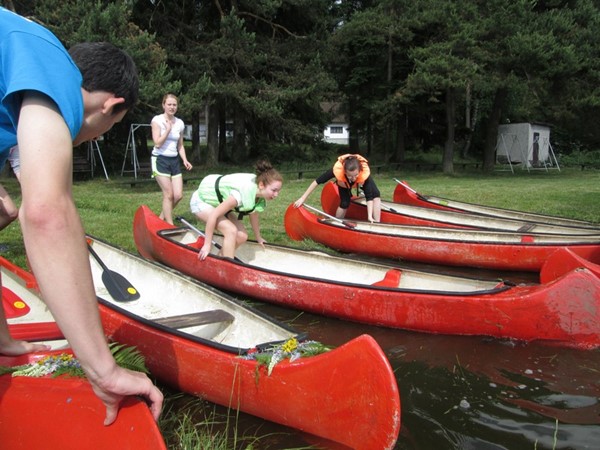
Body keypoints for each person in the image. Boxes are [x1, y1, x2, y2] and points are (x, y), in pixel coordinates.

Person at [0, 7, 163, 424]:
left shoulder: (19, 78)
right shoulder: (54, 67)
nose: (92, 138)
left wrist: (4, 339)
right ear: (111, 106)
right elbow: (46, 213)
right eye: (109, 128)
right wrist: (105, 371)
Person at [190, 160, 283, 260]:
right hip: (202, 201)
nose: (276, 195)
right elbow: (213, 216)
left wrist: (258, 237)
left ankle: (220, 258)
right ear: (261, 185)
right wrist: (207, 245)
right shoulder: (238, 196)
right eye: (274, 190)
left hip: (219, 204)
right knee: (230, 230)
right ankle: (228, 264)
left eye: (278, 191)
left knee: (242, 236)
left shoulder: (258, 196)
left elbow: (254, 215)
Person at [294, 153, 381, 222]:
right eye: (350, 176)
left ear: (360, 171)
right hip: (344, 184)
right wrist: (302, 198)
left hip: (363, 181)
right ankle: (337, 222)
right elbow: (317, 182)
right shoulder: (337, 170)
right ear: (345, 172)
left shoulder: (364, 173)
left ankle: (377, 222)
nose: (353, 178)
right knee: (344, 203)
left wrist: (369, 216)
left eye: (355, 175)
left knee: (376, 194)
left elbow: (369, 197)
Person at [151, 93, 192, 225]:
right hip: (160, 159)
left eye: (174, 105)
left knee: (178, 195)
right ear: (163, 105)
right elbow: (157, 143)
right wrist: (168, 130)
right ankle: (169, 225)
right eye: (169, 104)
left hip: (174, 160)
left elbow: (180, 145)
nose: (172, 107)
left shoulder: (180, 123)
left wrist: (185, 160)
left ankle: (160, 219)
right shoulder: (157, 120)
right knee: (168, 195)